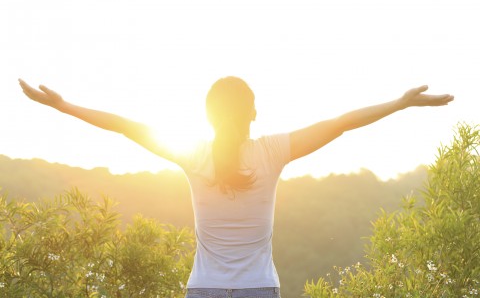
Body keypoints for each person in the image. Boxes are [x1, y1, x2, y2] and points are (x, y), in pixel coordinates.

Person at [18, 77, 454, 298]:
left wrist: (62, 105)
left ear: (209, 118)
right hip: (259, 288)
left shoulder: (194, 154)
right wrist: (401, 103)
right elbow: (340, 124)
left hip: (203, 288)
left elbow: (125, 127)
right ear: (254, 113)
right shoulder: (272, 151)